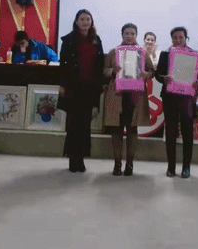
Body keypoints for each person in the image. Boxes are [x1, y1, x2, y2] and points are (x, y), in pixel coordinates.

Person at [103, 23, 153, 176]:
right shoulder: (114, 52)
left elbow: (151, 71)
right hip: (117, 96)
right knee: (116, 130)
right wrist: (113, 71)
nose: (129, 36)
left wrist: (147, 74)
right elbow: (104, 71)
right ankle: (117, 163)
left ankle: (129, 163)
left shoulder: (142, 53)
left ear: (136, 35)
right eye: (126, 33)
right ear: (122, 35)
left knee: (132, 129)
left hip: (135, 97)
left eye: (132, 33)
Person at [59, 10, 105, 173]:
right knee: (74, 124)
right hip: (74, 87)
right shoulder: (69, 40)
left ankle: (81, 158)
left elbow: (100, 64)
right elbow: (63, 64)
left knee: (85, 124)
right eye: (82, 19)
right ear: (76, 22)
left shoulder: (96, 40)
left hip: (90, 87)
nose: (85, 22)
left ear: (91, 22)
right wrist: (62, 84)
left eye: (88, 19)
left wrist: (99, 85)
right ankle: (73, 159)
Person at [156, 27, 198, 179]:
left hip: (187, 98)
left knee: (187, 131)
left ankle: (186, 167)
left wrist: (197, 81)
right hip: (170, 97)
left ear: (185, 38)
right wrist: (164, 78)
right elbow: (158, 74)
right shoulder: (165, 54)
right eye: (175, 37)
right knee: (171, 131)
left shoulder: (194, 55)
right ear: (172, 39)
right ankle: (171, 167)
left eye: (180, 37)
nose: (177, 40)